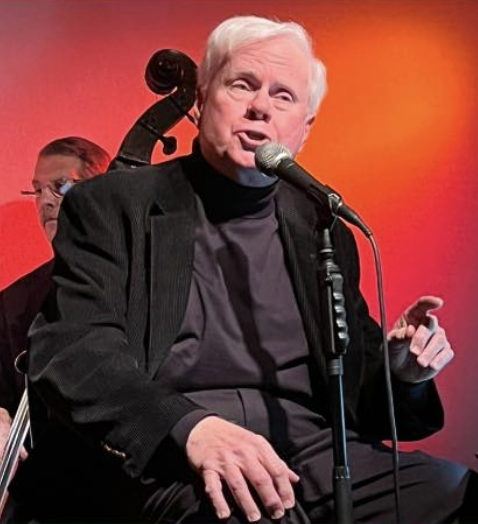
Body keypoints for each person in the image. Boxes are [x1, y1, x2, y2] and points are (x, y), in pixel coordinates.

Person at [9, 16, 477, 524]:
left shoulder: (322, 227)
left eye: (283, 96)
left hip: (309, 448)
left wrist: (402, 373)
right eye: (242, 85)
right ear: (202, 99)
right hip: (170, 456)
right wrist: (188, 427)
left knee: (457, 493)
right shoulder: (112, 205)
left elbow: (356, 399)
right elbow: (74, 351)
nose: (261, 106)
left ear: (304, 128)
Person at [0, 136, 111, 462]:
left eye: (61, 187)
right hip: (47, 473)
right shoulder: (14, 301)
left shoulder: (145, 280)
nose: (45, 201)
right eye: (38, 190)